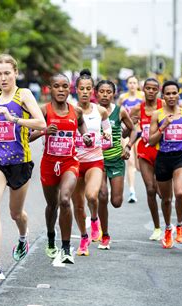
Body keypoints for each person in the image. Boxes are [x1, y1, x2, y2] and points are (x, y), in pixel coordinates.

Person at [0, 54, 46, 281]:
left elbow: (41, 123)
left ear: (16, 73)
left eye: (7, 73)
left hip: (20, 162)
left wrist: (15, 120)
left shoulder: (23, 95)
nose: (3, 78)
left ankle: (23, 237)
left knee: (16, 213)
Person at [29, 74, 91, 264]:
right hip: (48, 164)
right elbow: (28, 137)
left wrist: (86, 136)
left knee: (65, 199)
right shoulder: (44, 111)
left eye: (65, 86)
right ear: (50, 89)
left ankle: (65, 248)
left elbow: (82, 127)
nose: (61, 90)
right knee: (52, 205)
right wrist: (44, 131)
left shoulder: (76, 111)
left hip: (69, 162)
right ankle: (50, 238)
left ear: (70, 88)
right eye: (57, 86)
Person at [149, 80, 182, 249]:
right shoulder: (157, 115)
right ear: (163, 96)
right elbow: (150, 140)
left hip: (181, 157)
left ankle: (180, 227)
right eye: (167, 93)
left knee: (181, 193)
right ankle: (168, 228)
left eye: (174, 93)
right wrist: (163, 127)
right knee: (166, 199)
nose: (171, 96)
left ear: (178, 94)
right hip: (163, 159)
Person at [71, 69, 111, 256]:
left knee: (92, 196)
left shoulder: (100, 111)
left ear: (92, 91)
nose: (85, 92)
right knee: (77, 205)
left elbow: (107, 134)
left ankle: (95, 219)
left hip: (95, 161)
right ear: (76, 90)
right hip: (74, 162)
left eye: (88, 88)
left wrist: (103, 138)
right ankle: (84, 238)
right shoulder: (70, 110)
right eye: (82, 89)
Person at [97, 80, 137, 250]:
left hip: (116, 160)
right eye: (102, 91)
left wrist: (128, 146)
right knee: (102, 195)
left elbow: (134, 130)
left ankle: (101, 227)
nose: (105, 94)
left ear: (113, 94)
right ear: (96, 93)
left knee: (116, 201)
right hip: (97, 160)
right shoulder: (90, 111)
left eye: (108, 92)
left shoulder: (119, 111)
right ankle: (104, 234)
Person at [129, 78, 163, 240]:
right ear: (143, 89)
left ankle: (171, 224)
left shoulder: (165, 105)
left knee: (163, 194)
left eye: (154, 88)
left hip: (163, 151)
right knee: (150, 189)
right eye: (147, 88)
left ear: (158, 90)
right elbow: (127, 130)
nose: (150, 91)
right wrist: (129, 138)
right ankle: (157, 228)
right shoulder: (137, 109)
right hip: (144, 151)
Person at [118, 75, 144, 203]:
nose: (132, 85)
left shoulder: (142, 97)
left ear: (138, 84)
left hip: (140, 132)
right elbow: (117, 112)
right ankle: (132, 191)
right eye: (130, 82)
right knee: (130, 162)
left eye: (135, 82)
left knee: (139, 166)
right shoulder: (123, 98)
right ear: (127, 84)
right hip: (126, 133)